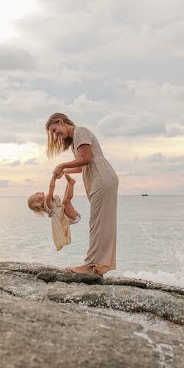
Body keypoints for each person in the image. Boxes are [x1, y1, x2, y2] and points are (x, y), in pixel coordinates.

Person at [45, 112, 119, 276]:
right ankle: (99, 266)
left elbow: (86, 159)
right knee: (102, 223)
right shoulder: (75, 141)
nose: (57, 135)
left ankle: (90, 265)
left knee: (97, 223)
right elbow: (83, 165)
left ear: (61, 121)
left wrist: (62, 165)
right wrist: (64, 171)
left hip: (102, 178)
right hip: (99, 179)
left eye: (56, 130)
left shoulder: (80, 132)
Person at [27, 173, 81, 251]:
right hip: (71, 217)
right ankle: (71, 183)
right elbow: (51, 187)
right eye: (36, 194)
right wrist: (54, 177)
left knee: (65, 200)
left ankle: (70, 183)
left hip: (67, 216)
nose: (37, 192)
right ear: (40, 202)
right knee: (66, 201)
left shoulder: (48, 203)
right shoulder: (48, 202)